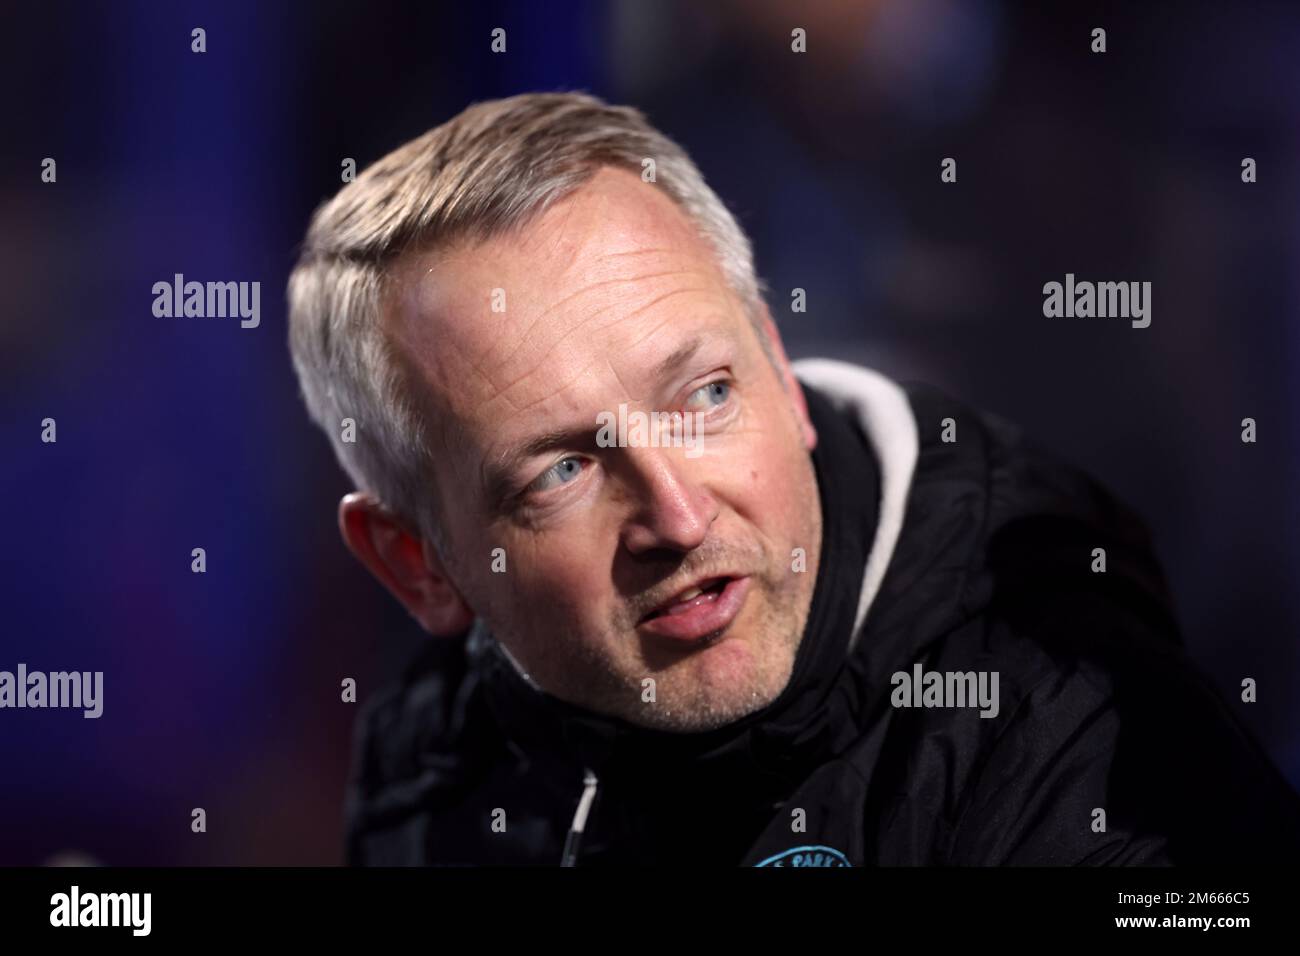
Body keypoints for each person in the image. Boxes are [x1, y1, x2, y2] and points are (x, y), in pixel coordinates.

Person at [286, 91, 1300, 866]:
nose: (678, 517)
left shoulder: (1086, 758)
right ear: (418, 562)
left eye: (706, 394)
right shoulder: (431, 763)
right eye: (561, 470)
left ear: (780, 365)